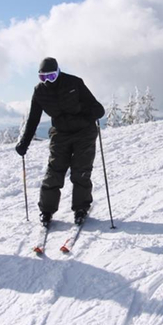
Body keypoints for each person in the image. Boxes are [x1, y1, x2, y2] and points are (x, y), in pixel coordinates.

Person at [15, 58, 105, 226]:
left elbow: (98, 108)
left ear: (58, 72)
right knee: (54, 171)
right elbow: (33, 119)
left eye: (51, 76)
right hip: (61, 133)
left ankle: (81, 208)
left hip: (84, 132)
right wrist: (24, 143)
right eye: (43, 77)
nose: (48, 81)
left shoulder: (74, 83)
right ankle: (46, 210)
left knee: (81, 171)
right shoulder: (40, 91)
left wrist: (86, 114)